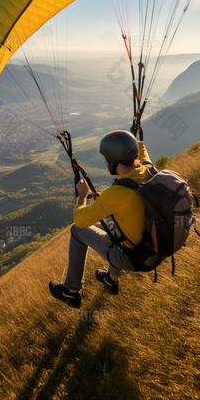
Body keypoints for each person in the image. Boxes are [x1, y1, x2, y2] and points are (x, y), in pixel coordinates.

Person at [49, 130, 153, 308]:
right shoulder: (148, 171)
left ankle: (71, 292)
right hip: (151, 246)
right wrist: (135, 140)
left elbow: (80, 221)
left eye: (106, 157)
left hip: (131, 257)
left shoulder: (116, 193)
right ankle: (111, 279)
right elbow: (143, 155)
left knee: (77, 230)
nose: (104, 161)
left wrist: (82, 196)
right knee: (117, 224)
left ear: (114, 160)